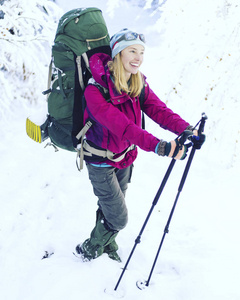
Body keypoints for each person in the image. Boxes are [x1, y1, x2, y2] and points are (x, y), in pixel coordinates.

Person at [75, 28, 204, 262]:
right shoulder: (95, 90)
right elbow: (124, 127)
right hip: (101, 161)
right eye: (132, 51)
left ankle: (107, 244)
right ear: (118, 54)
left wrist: (186, 129)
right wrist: (159, 146)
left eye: (141, 52)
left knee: (112, 207)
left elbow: (158, 110)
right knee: (119, 217)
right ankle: (89, 247)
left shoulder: (137, 82)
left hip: (124, 157)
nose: (138, 58)